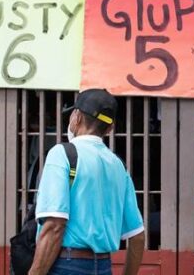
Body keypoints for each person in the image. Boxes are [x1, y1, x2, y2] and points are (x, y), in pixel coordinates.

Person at [29, 89, 145, 275]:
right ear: (109, 128)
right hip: (103, 265)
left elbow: (54, 226)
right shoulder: (118, 166)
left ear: (76, 117)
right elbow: (137, 237)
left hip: (66, 265)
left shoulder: (62, 154)